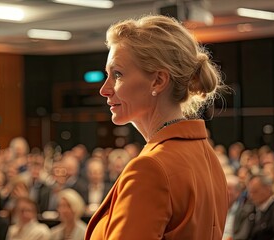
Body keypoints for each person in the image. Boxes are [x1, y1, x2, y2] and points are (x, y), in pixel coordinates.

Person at [84, 15, 228, 240]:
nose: (104, 89)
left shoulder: (150, 167)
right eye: (107, 75)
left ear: (158, 81)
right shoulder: (206, 154)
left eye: (118, 74)